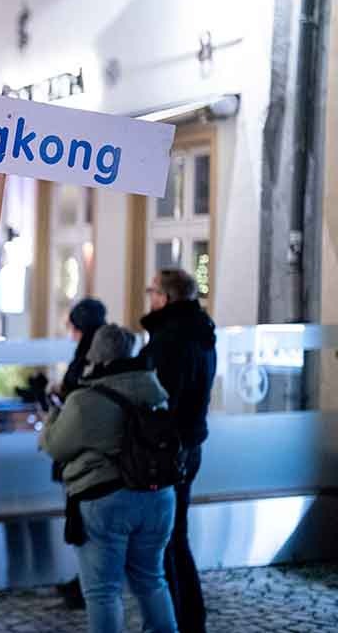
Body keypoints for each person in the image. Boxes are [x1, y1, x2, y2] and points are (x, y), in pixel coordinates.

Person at [40, 324, 178, 633]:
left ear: (97, 357)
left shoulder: (85, 399)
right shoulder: (155, 389)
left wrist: (51, 416)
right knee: (152, 579)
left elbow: (55, 446)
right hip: (158, 496)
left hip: (105, 500)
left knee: (103, 591)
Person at [139, 269, 217, 633]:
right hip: (191, 443)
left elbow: (157, 397)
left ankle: (180, 620)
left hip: (170, 449)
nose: (149, 296)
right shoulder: (200, 333)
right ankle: (188, 618)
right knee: (174, 536)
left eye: (152, 291)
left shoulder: (170, 339)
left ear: (166, 297)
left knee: (167, 540)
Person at [54, 297, 107, 610]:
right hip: (89, 449)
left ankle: (87, 584)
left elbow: (77, 397)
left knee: (85, 520)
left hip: (85, 452)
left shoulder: (89, 356)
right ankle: (84, 580)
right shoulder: (102, 349)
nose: (70, 333)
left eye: (73, 326)